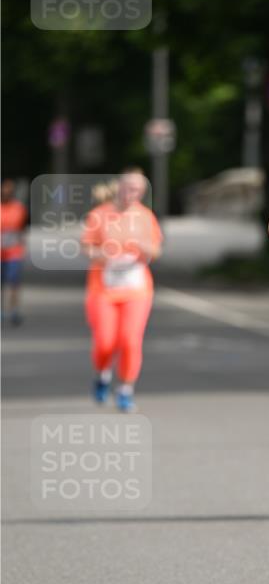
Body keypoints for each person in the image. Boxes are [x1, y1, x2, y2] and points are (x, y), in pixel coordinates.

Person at [81, 168, 162, 412]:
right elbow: (86, 247)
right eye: (128, 187)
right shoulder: (99, 214)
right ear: (118, 187)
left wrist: (144, 246)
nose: (131, 193)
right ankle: (102, 374)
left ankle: (125, 389)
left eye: (137, 189)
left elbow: (157, 250)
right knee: (105, 342)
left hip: (136, 289)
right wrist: (101, 254)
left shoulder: (146, 217)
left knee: (130, 340)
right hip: (103, 289)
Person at [1, 179, 29, 326]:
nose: (6, 193)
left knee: (13, 282)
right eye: (4, 190)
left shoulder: (19, 208)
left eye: (9, 190)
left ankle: (14, 311)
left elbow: (23, 229)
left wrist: (23, 245)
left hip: (14, 252)